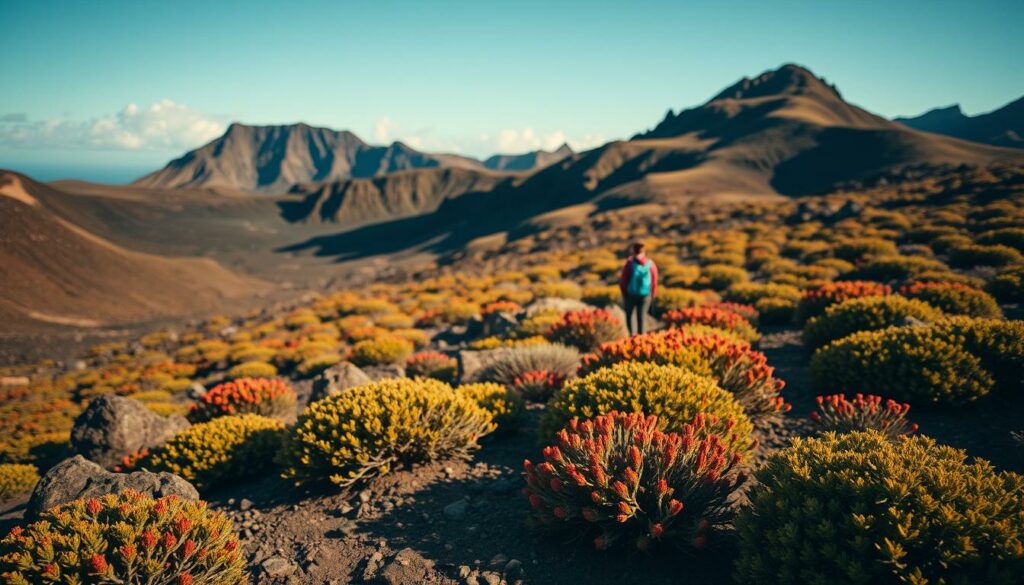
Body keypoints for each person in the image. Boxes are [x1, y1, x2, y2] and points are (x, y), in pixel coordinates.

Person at [619, 241, 658, 336]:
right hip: (646, 295)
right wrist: (652, 294)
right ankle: (641, 338)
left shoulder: (630, 264)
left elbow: (624, 280)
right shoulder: (650, 264)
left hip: (631, 294)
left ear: (633, 251)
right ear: (643, 251)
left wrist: (624, 293)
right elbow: (654, 280)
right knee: (641, 317)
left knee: (629, 316)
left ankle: (631, 336)